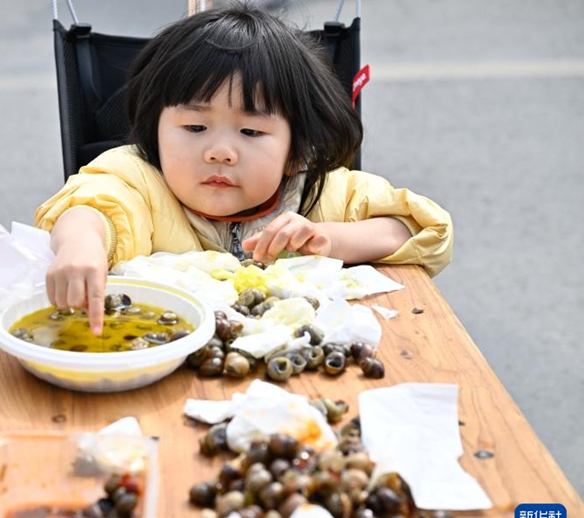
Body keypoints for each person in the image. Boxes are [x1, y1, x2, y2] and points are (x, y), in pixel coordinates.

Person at [35, 5, 453, 334]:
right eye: (195, 127)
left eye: (250, 131)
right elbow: (89, 208)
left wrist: (329, 237)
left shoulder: (321, 191)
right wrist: (80, 246)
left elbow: (421, 229)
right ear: (155, 132)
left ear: (296, 152)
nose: (220, 152)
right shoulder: (139, 180)